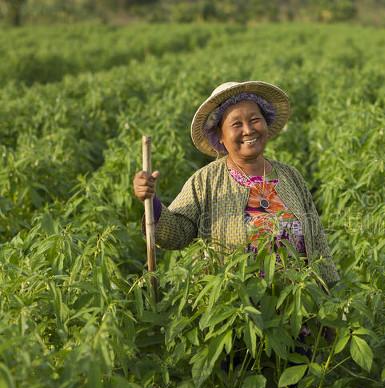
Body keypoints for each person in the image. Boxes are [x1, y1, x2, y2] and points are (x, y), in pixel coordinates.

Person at [132, 81, 339, 286]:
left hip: (300, 303)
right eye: (236, 124)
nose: (248, 130)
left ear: (266, 123)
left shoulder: (290, 176)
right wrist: (151, 201)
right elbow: (175, 234)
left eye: (255, 120)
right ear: (220, 135)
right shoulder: (206, 180)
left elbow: (317, 238)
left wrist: (331, 292)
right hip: (237, 303)